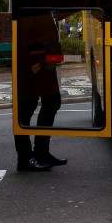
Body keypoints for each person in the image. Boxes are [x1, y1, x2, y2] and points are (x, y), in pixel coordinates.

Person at [14, 11, 68, 170]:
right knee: (25, 111)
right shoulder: (32, 10)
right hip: (34, 68)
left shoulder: (46, 9)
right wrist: (31, 66)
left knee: (51, 102)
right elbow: (22, 38)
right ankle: (25, 158)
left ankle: (41, 152)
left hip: (44, 67)